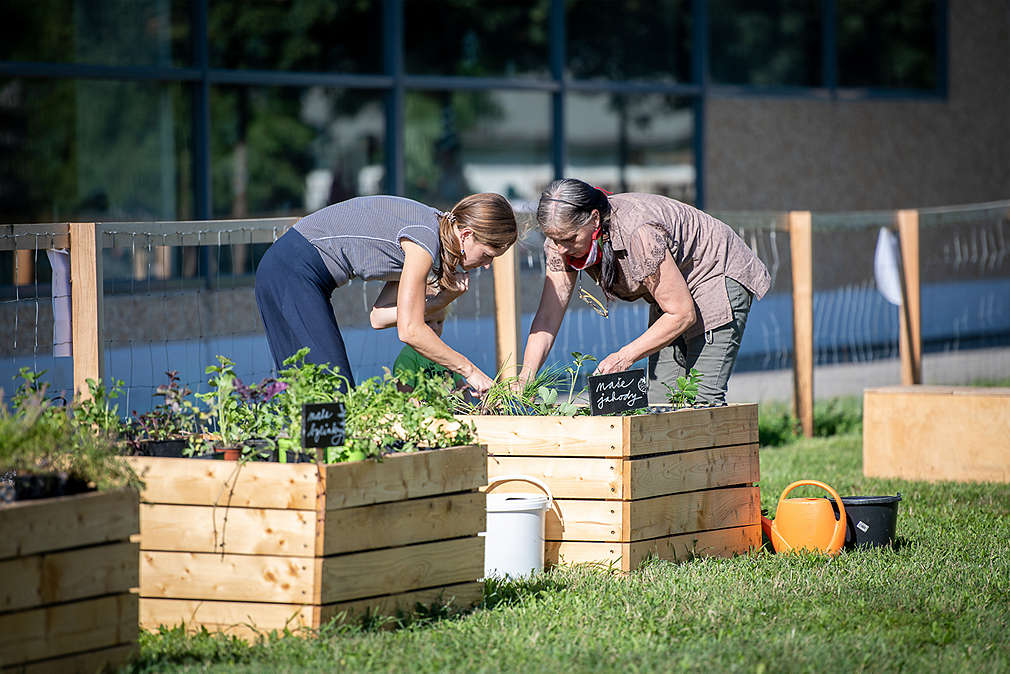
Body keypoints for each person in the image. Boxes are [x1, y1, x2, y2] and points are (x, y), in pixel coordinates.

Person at [516, 178, 770, 405]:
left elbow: (681, 314)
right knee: (661, 399)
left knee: (702, 399)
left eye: (569, 239)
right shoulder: (560, 242)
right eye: (554, 240)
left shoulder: (639, 231)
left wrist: (624, 357)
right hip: (673, 292)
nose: (560, 249)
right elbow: (548, 317)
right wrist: (525, 380)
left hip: (713, 274)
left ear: (594, 219)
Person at [255, 193, 517, 396]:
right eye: (487, 256)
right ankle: (310, 465)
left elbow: (379, 317)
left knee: (313, 389)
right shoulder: (424, 241)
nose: (486, 266)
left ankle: (305, 463)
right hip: (291, 269)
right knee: (330, 390)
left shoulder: (432, 234)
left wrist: (442, 300)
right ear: (468, 234)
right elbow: (410, 330)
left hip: (293, 272)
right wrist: (469, 371)